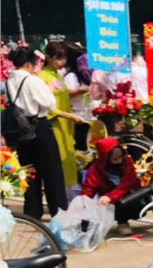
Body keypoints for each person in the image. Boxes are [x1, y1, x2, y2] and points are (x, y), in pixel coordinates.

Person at [5, 46, 68, 217]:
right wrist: (49, 89)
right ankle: (59, 212)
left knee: (29, 172)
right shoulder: (32, 80)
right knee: (52, 171)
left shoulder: (9, 81)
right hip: (39, 126)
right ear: (28, 64)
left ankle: (32, 212)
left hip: (21, 130)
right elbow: (49, 103)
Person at [39, 40, 86, 192]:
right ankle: (60, 194)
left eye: (64, 58)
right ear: (48, 57)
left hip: (66, 125)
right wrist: (69, 116)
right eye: (58, 58)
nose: (62, 62)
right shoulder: (42, 77)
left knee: (69, 158)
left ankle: (70, 192)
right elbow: (47, 107)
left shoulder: (59, 76)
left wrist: (71, 116)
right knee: (58, 160)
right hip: (54, 125)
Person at [80, 137, 144, 232]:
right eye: (115, 159)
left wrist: (110, 197)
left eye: (121, 156)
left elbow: (128, 182)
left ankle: (123, 221)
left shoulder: (127, 161)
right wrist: (82, 205)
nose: (119, 160)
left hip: (130, 195)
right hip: (110, 202)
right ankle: (122, 222)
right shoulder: (96, 170)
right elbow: (88, 189)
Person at [63, 43, 92, 150]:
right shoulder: (71, 76)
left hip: (89, 116)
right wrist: (81, 90)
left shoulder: (86, 75)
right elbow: (67, 93)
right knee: (82, 147)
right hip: (78, 117)